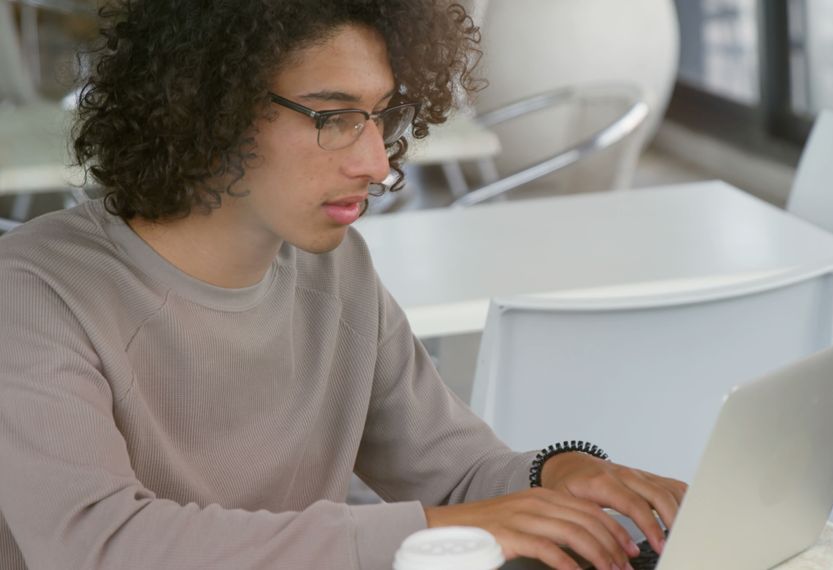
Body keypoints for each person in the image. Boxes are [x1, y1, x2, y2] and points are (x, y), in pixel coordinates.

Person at [0, 1, 686, 569]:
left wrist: (559, 473)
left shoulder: (337, 268)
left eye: (382, 115)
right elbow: (96, 547)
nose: (377, 163)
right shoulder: (33, 292)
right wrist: (429, 531)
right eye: (333, 117)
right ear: (207, 105)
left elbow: (456, 471)